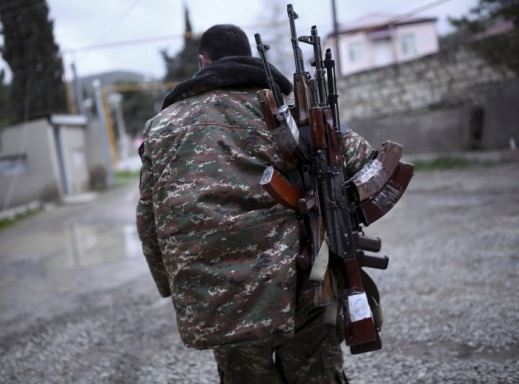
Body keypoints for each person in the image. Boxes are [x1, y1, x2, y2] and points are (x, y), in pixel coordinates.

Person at [136, 24, 375, 384]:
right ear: (248, 57)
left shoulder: (160, 128)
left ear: (203, 62)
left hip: (216, 295)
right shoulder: (284, 111)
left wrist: (173, 284)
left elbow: (149, 222)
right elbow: (366, 162)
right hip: (299, 282)